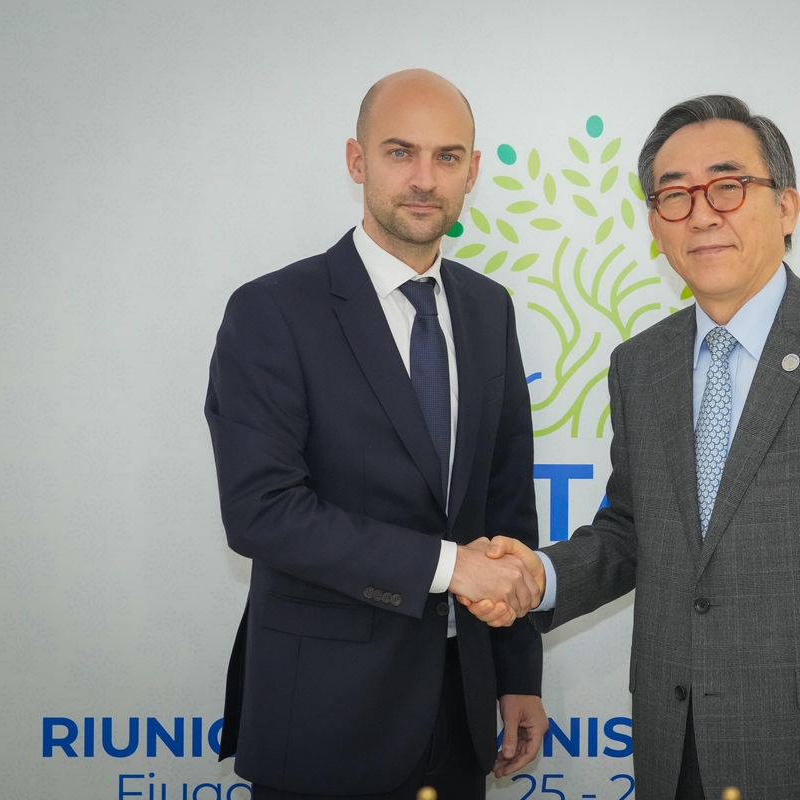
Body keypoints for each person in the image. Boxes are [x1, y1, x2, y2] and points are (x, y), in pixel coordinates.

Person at [466, 95, 800, 799]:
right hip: (675, 751)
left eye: (728, 187)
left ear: (786, 208)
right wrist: (539, 578)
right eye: (674, 195)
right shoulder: (641, 365)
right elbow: (632, 533)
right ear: (654, 223)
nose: (702, 213)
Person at [204, 69, 548, 800]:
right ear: (357, 161)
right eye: (400, 153)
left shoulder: (490, 310)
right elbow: (261, 511)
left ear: (473, 173)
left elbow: (505, 504)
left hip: (459, 715)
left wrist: (517, 675)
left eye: (448, 158)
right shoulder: (273, 311)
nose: (425, 179)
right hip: (324, 717)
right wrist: (452, 568)